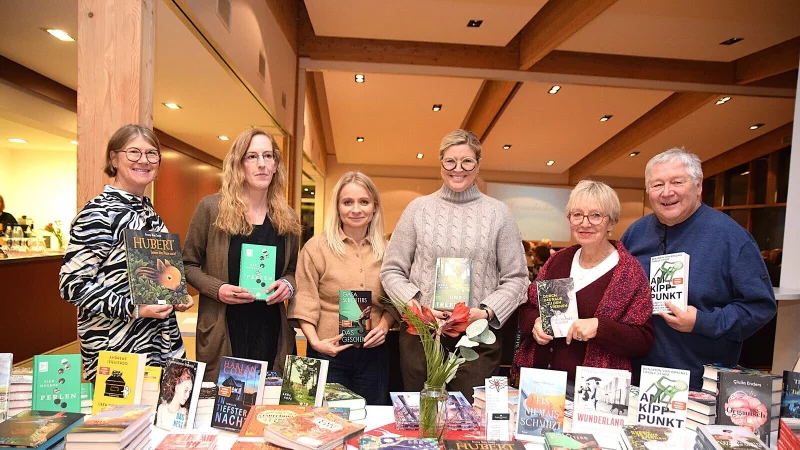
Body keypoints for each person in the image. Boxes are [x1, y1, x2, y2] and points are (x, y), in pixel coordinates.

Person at [380, 129, 529, 400]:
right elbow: (391, 270)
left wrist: (485, 312)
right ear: (440, 164)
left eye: (467, 162)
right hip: (421, 335)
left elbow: (518, 278)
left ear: (478, 165)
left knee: (470, 420)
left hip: (477, 338)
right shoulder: (418, 209)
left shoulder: (499, 214)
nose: (458, 169)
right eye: (450, 161)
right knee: (420, 416)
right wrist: (415, 306)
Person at [621, 148, 776, 390]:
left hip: (699, 386)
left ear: (698, 185)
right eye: (657, 184)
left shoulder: (731, 238)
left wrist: (701, 322)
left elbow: (760, 307)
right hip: (637, 380)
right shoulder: (634, 234)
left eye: (677, 182)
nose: (666, 192)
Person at [59, 124, 191, 382]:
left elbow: (155, 280)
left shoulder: (149, 214)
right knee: (121, 423)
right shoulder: (99, 213)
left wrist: (176, 294)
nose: (144, 160)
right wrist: (135, 308)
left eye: (152, 154)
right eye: (133, 152)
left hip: (158, 346)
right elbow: (72, 285)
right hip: (117, 351)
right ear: (113, 158)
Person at [183, 129, 301, 381]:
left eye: (268, 156)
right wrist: (218, 289)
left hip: (271, 330)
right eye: (252, 157)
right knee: (222, 408)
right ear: (238, 164)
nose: (262, 164)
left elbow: (293, 270)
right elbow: (187, 264)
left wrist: (288, 285)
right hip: (224, 329)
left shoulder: (287, 217)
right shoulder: (211, 208)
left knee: (268, 409)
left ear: (276, 164)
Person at [513, 180, 654, 383]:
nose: (585, 223)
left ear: (612, 222)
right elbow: (528, 307)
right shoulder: (558, 260)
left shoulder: (628, 273)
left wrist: (600, 328)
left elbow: (643, 340)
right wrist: (535, 323)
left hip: (595, 394)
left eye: (596, 215)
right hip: (541, 385)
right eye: (577, 214)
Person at [289, 171, 394, 405]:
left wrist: (385, 326)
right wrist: (315, 343)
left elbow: (395, 300)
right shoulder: (316, 248)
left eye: (363, 202)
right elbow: (305, 298)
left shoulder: (388, 251)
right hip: (327, 354)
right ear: (337, 207)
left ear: (374, 207)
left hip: (372, 355)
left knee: (371, 423)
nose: (356, 209)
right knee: (324, 426)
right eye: (348, 202)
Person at [155, 365, 194, 429]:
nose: (187, 395)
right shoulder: (162, 408)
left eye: (189, 391)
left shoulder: (185, 413)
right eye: (185, 390)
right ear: (176, 386)